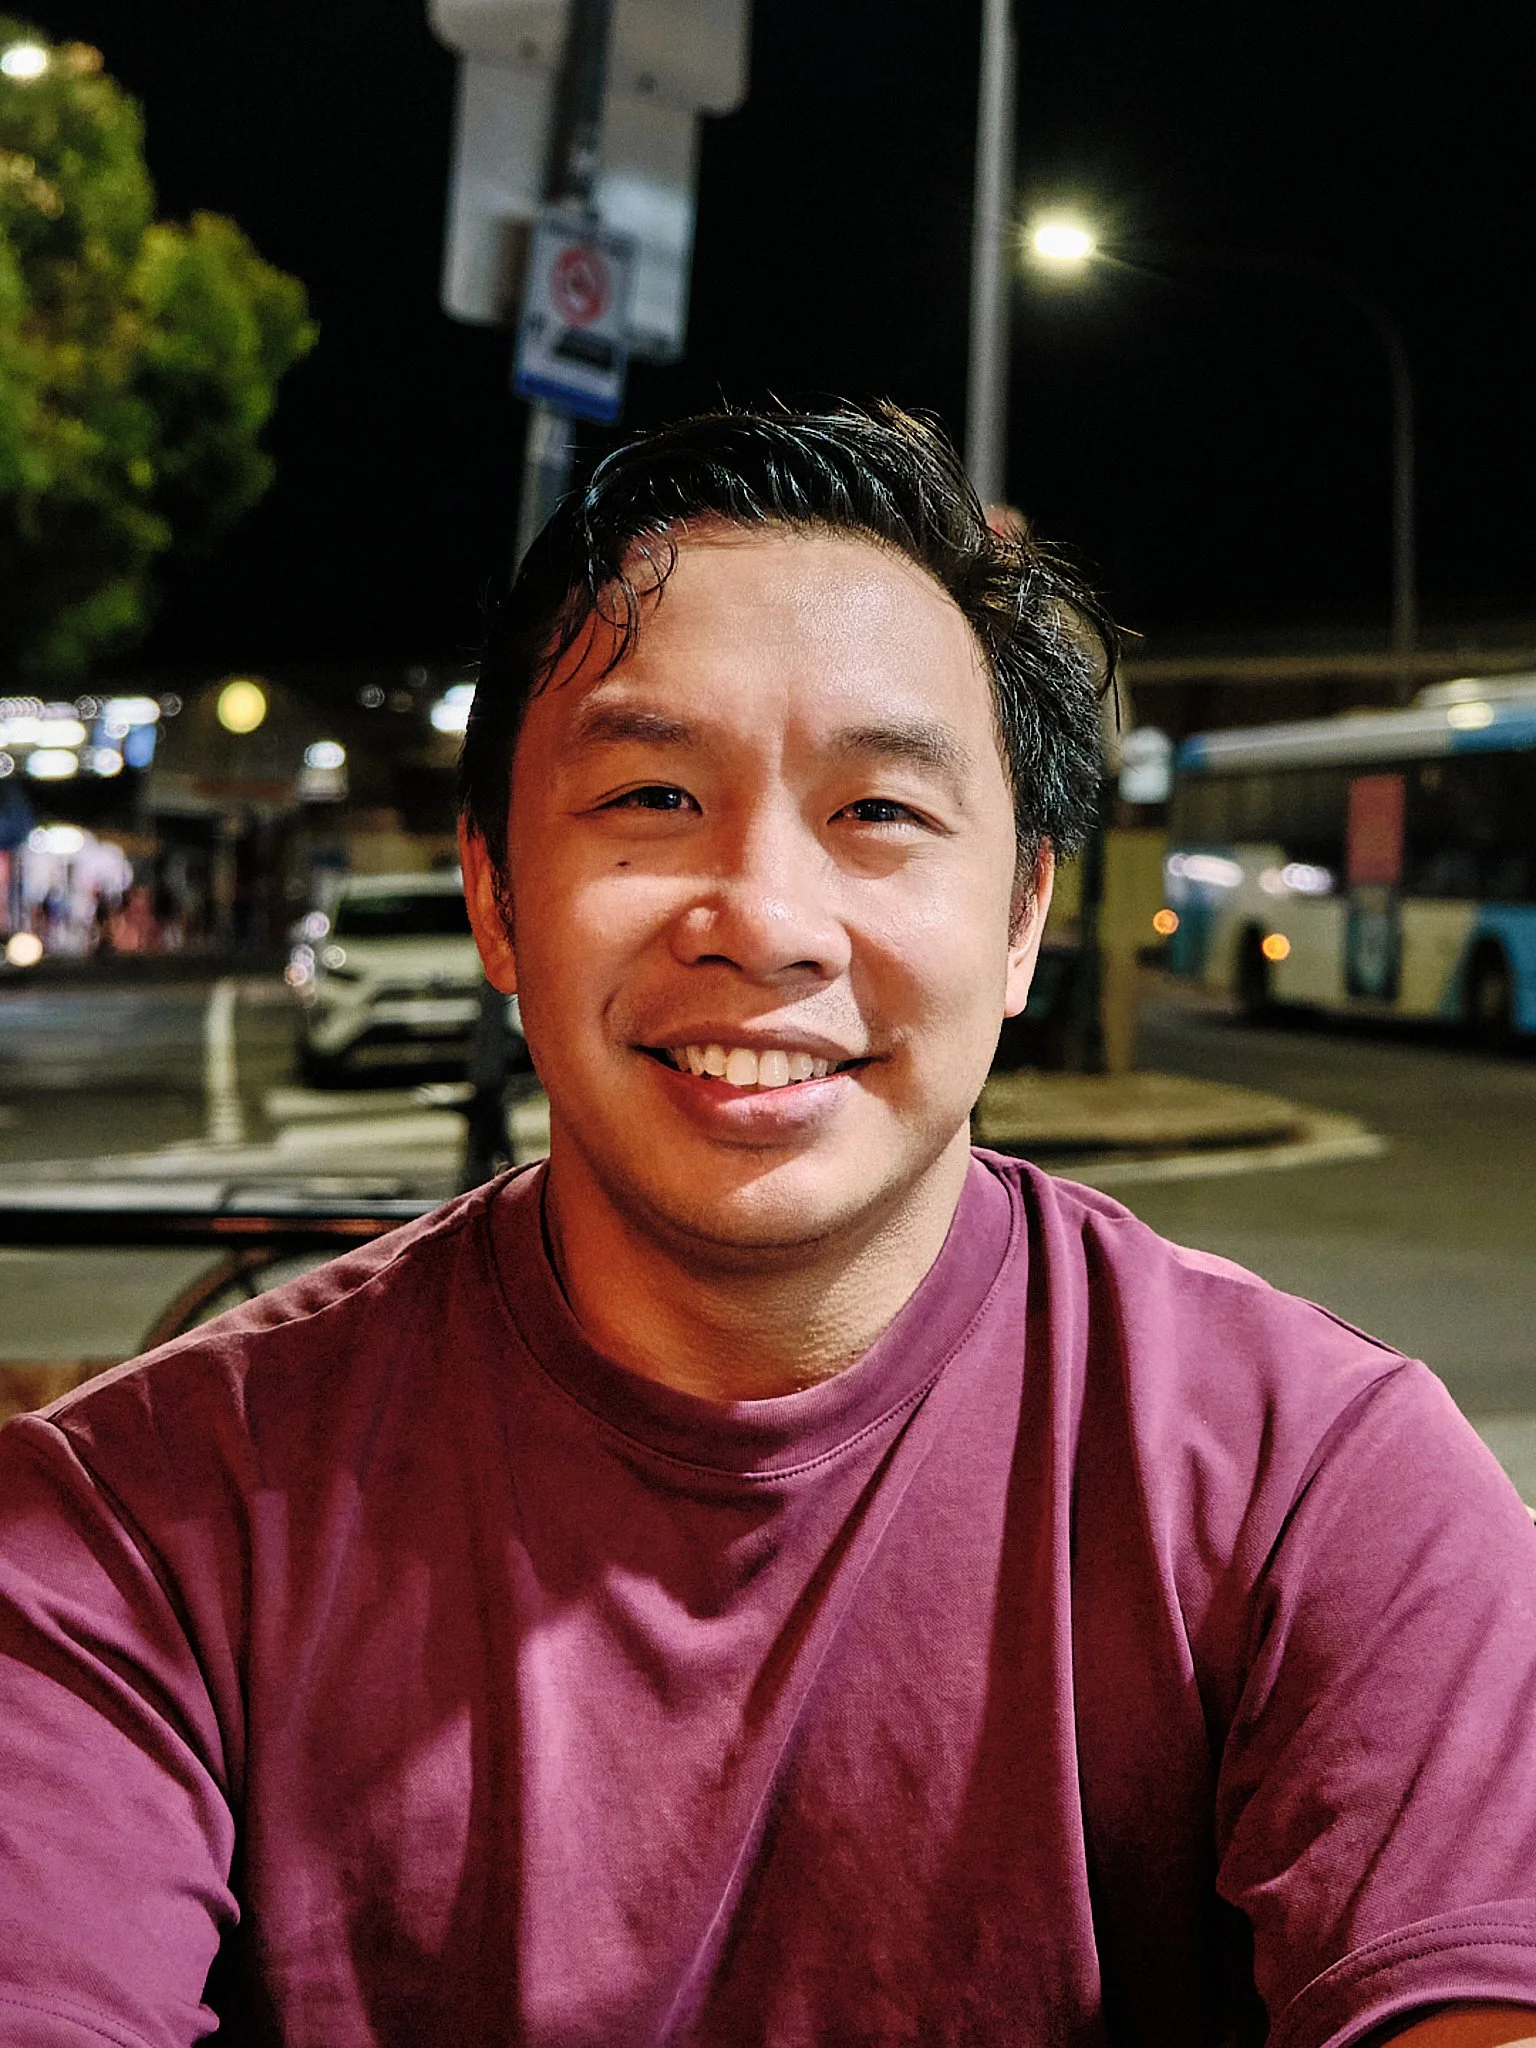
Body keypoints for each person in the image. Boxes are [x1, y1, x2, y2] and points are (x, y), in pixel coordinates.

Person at [2, 404, 1536, 2048]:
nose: (767, 922)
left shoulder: (1319, 1487)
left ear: (1022, 917)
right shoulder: (137, 1525)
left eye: (880, 813)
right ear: (494, 896)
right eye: (654, 794)